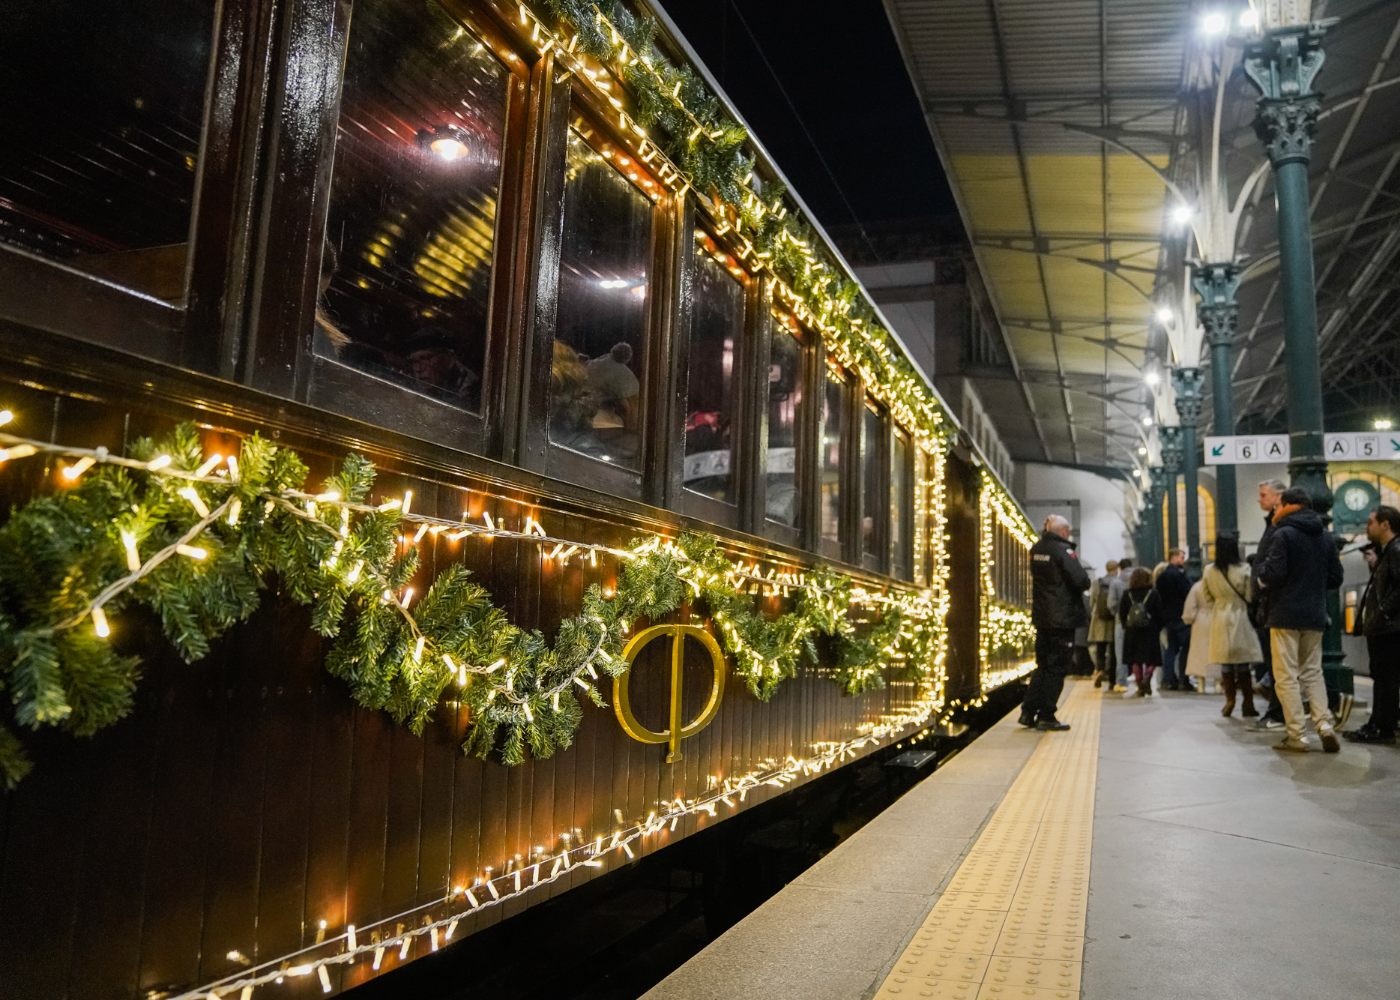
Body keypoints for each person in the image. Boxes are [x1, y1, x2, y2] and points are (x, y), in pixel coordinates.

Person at [1255, 486, 1344, 753]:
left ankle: (1297, 734)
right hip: (1314, 614)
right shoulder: (1326, 538)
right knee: (1312, 672)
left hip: (1284, 614)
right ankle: (1324, 725)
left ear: (1288, 505)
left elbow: (1273, 573)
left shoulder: (1283, 534)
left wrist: (1261, 574)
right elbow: (1336, 578)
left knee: (1285, 676)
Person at [1018, 514, 1090, 731]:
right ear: (1064, 532)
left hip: (1042, 618)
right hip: (1062, 620)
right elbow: (1081, 580)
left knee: (1042, 667)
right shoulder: (1063, 551)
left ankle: (1028, 712)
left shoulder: (1036, 549)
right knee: (1057, 668)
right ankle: (1047, 715)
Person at [1343, 505, 1400, 744]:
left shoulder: (1396, 550)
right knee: (1383, 676)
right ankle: (1380, 723)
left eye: (1371, 522)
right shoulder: (1388, 551)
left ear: (1385, 524)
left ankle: (1382, 727)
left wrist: (1383, 613)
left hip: (1389, 628)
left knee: (1385, 678)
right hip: (1386, 627)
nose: (1367, 527)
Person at [1200, 533, 1262, 718]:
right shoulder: (1244, 569)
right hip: (1239, 614)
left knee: (1226, 664)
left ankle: (1230, 701)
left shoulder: (1209, 570)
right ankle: (1248, 703)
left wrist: (1218, 605)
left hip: (1219, 616)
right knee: (1242, 662)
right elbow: (1251, 595)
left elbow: (1206, 596)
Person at [1248, 479, 1288, 732]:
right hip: (1270, 605)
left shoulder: (1280, 528)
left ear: (1278, 498)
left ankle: (1279, 713)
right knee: (1277, 663)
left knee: (1280, 664)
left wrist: (1261, 579)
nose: (1259, 499)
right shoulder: (1273, 525)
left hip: (1277, 604)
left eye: (1263, 495)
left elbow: (1274, 564)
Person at [1119, 567, 1164, 697]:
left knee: (1135, 660)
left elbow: (1122, 613)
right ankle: (1147, 678)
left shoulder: (1127, 593)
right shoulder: (1153, 593)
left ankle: (1140, 684)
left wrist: (1126, 626)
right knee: (1152, 659)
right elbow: (1160, 613)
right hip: (1150, 630)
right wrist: (1157, 627)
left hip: (1132, 631)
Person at [1155, 548, 1196, 692]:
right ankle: (1183, 680)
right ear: (1173, 557)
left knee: (1170, 649)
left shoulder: (1162, 576)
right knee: (1186, 647)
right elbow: (1188, 593)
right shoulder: (1179, 575)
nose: (1183, 560)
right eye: (1181, 556)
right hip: (1181, 617)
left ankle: (1168, 679)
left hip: (1167, 617)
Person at [1181, 578, 1219, 691]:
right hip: (1217, 618)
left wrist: (1188, 619)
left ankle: (1201, 682)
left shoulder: (1197, 587)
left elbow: (1190, 606)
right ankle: (1218, 682)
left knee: (1199, 651)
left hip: (1200, 620)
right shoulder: (1219, 586)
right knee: (1216, 651)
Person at [1087, 560, 1120, 687]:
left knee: (1100, 649)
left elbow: (1092, 601)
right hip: (1113, 620)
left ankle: (1100, 670)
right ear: (1116, 569)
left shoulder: (1097, 582)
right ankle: (1112, 680)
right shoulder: (1117, 582)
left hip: (1099, 620)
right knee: (1113, 651)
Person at [1109, 558, 1134, 691]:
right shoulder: (1139, 579)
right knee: (1138, 651)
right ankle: (1141, 679)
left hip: (1121, 622)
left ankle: (1122, 682)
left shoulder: (1116, 583)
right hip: (1139, 622)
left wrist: (1117, 614)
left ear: (1120, 568)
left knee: (1120, 653)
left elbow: (1111, 604)